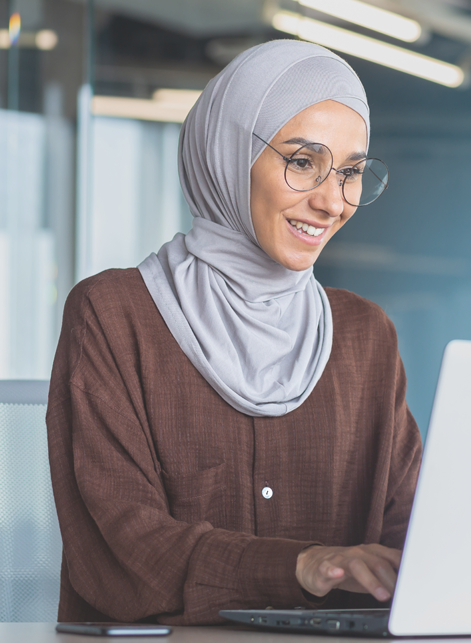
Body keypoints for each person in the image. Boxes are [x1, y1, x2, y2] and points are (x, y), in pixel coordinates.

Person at [46, 40, 423, 625]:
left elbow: (411, 538)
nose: (333, 201)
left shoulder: (365, 337)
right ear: (227, 154)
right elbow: (121, 553)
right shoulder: (115, 314)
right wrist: (299, 565)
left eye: (351, 173)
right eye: (303, 162)